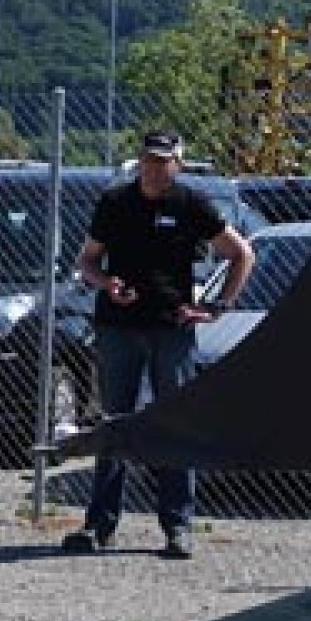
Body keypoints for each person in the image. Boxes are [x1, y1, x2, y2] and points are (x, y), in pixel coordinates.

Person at [62, 130, 253, 560]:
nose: (155, 168)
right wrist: (106, 283)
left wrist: (216, 307)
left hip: (173, 330)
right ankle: (99, 526)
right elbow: (87, 260)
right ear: (139, 162)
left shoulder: (191, 205)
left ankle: (177, 526)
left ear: (178, 164)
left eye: (163, 161)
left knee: (174, 424)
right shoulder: (114, 204)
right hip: (117, 329)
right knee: (113, 424)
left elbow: (242, 255)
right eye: (149, 160)